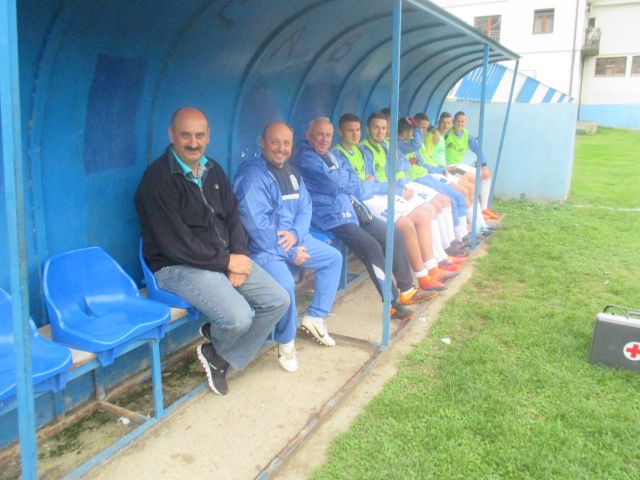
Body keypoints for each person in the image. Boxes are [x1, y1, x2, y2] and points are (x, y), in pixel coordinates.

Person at [134, 107, 290, 395]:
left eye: (199, 136)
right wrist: (226, 261)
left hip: (221, 258)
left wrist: (239, 254)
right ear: (171, 135)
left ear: (208, 137)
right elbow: (176, 244)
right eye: (185, 135)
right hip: (175, 266)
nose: (193, 143)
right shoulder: (157, 181)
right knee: (239, 317)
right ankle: (221, 340)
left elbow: (233, 217)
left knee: (279, 300)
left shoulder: (212, 169)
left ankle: (218, 355)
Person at [293, 117, 433, 323]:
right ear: (309, 135)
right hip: (329, 216)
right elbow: (333, 184)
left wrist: (341, 179)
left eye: (328, 135)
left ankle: (406, 289)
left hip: (350, 209)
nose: (324, 139)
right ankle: (392, 303)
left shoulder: (329, 154)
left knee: (392, 234)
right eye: (319, 134)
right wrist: (341, 178)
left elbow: (352, 179)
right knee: (371, 248)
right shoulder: (305, 157)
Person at [233, 122, 343, 372]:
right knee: (286, 287)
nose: (281, 148)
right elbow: (257, 227)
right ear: (262, 142)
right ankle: (286, 340)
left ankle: (315, 317)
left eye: (286, 143)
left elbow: (306, 207)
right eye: (275, 142)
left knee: (333, 258)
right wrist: (291, 252)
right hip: (263, 250)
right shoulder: (252, 175)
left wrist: (296, 235)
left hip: (295, 241)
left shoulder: (292, 172)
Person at [445, 111, 500, 220]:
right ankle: (476, 212)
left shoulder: (466, 135)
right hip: (450, 166)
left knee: (486, 175)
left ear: (465, 122)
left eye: (462, 121)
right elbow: (434, 130)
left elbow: (478, 149)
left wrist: (484, 165)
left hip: (460, 164)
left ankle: (484, 208)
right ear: (453, 122)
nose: (460, 124)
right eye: (457, 121)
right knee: (474, 179)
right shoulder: (447, 133)